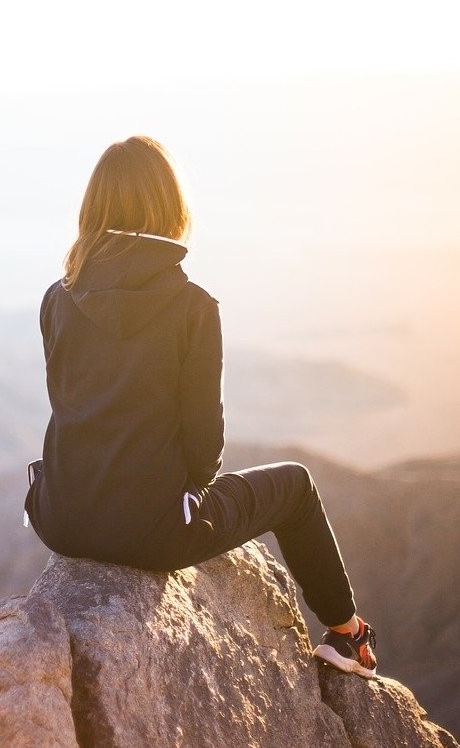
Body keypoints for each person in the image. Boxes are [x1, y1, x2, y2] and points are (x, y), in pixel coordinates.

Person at [24, 135, 377, 678]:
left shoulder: (57, 296)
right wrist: (184, 497)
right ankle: (347, 634)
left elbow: (69, 405)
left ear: (92, 209)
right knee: (297, 486)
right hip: (154, 532)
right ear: (170, 208)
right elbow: (204, 446)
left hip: (59, 517)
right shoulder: (192, 307)